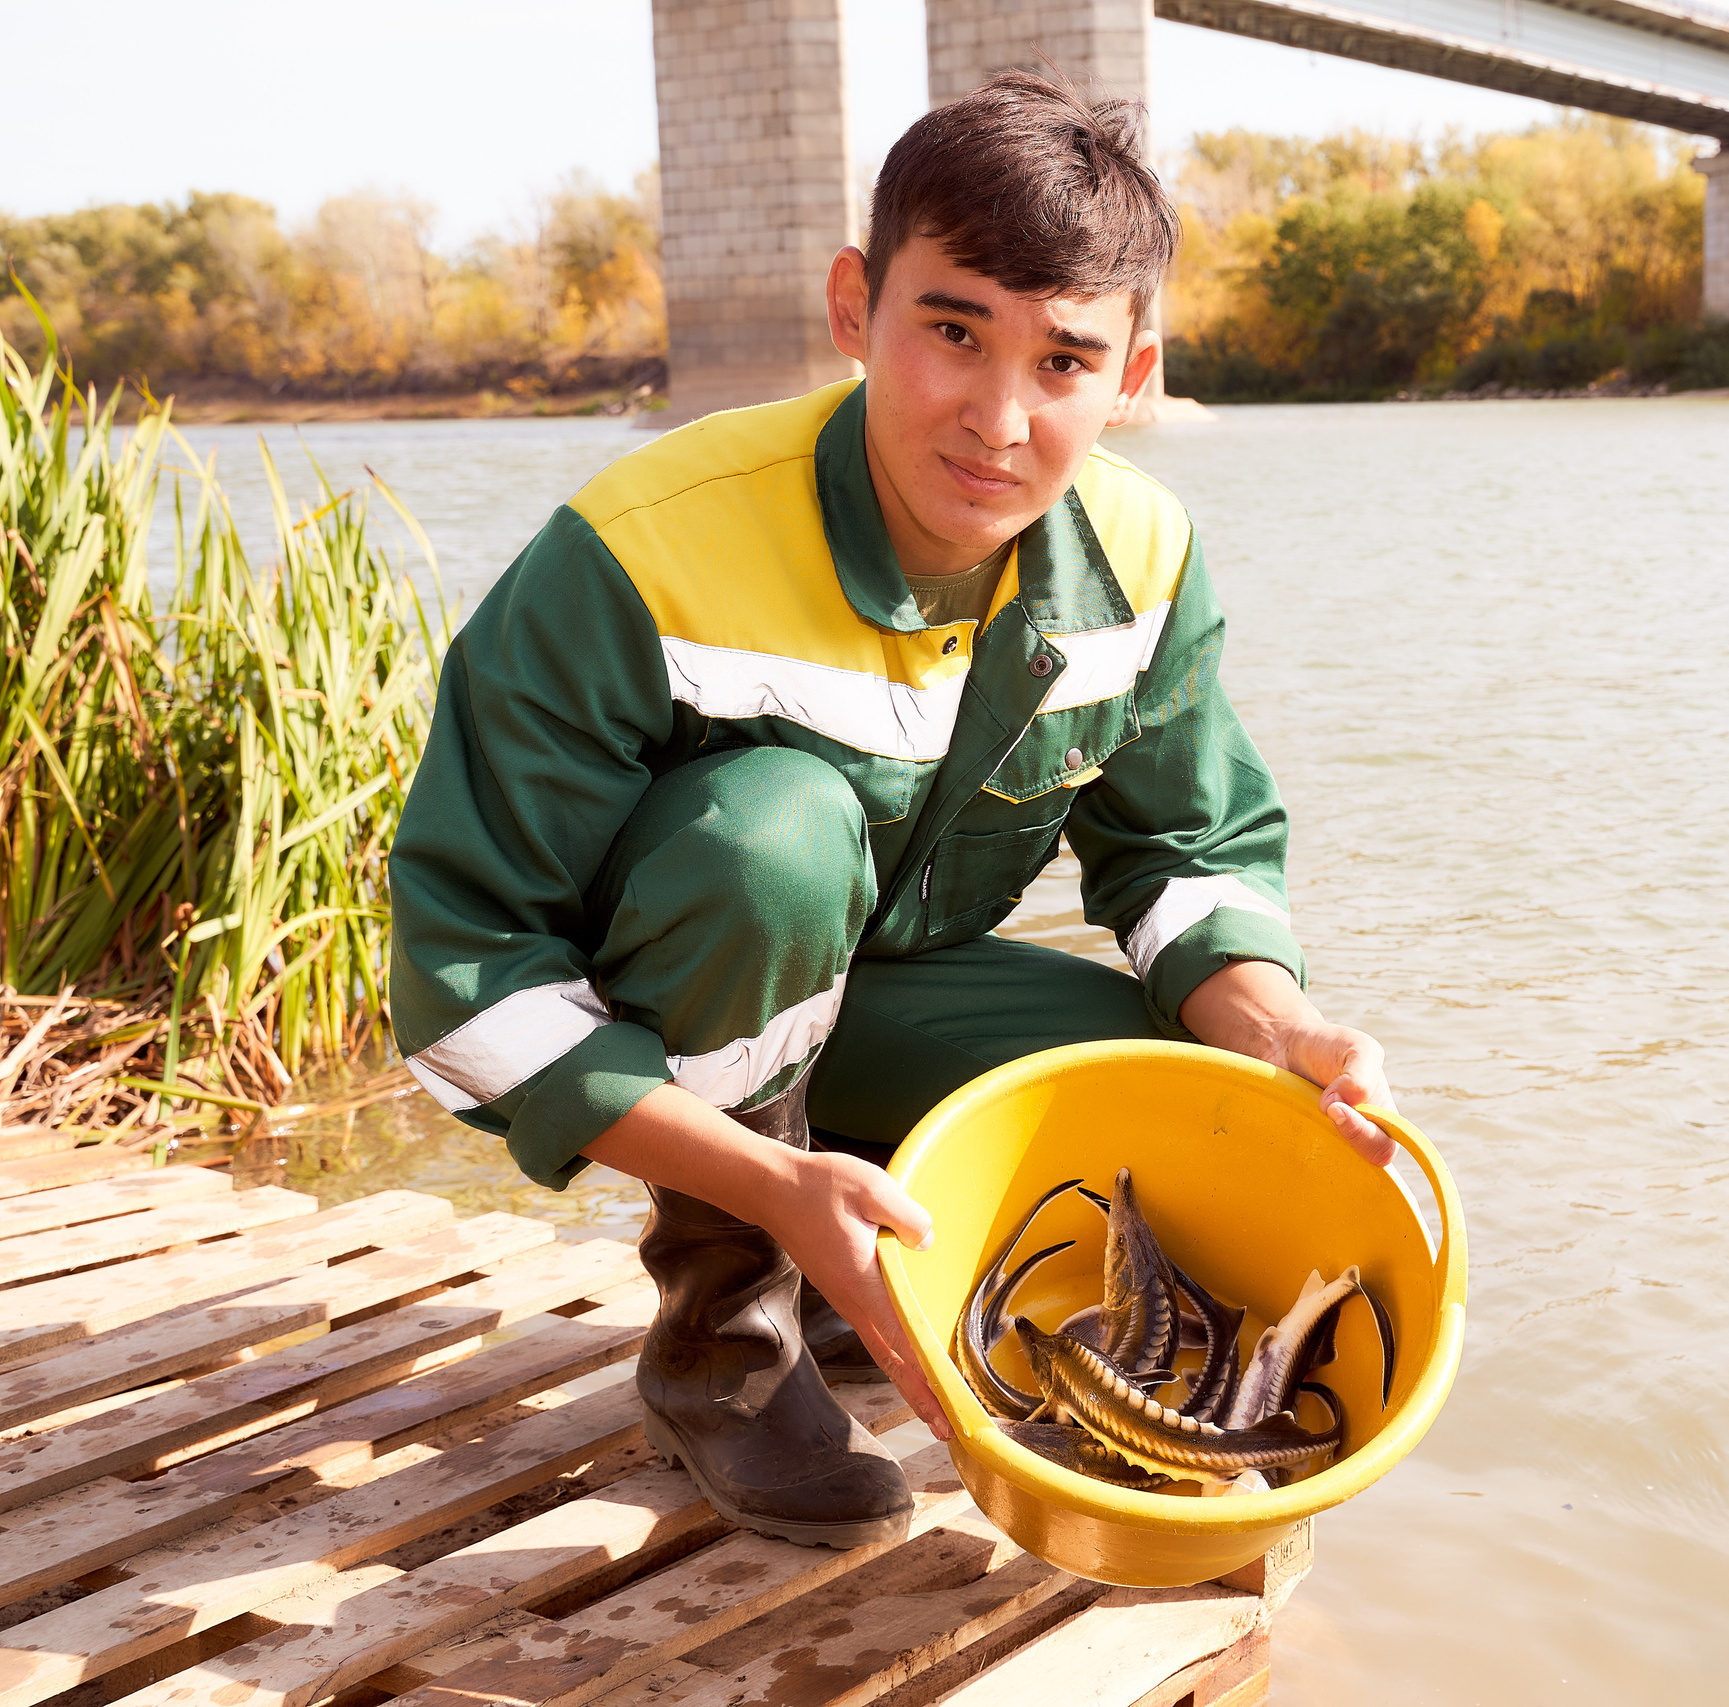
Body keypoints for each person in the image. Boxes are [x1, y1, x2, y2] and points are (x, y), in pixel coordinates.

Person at [385, 72, 1398, 1553]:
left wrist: (1286, 1031)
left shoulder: (1144, 550)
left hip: (886, 993)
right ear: (855, 306)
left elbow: (1186, 857)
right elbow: (464, 980)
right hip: (669, 1018)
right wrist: (767, 1184)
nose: (1000, 420)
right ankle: (728, 1342)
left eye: (1064, 361)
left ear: (1132, 376)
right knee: (773, 836)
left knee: (1208, 1096)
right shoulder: (639, 549)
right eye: (954, 331)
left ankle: (875, 1267)